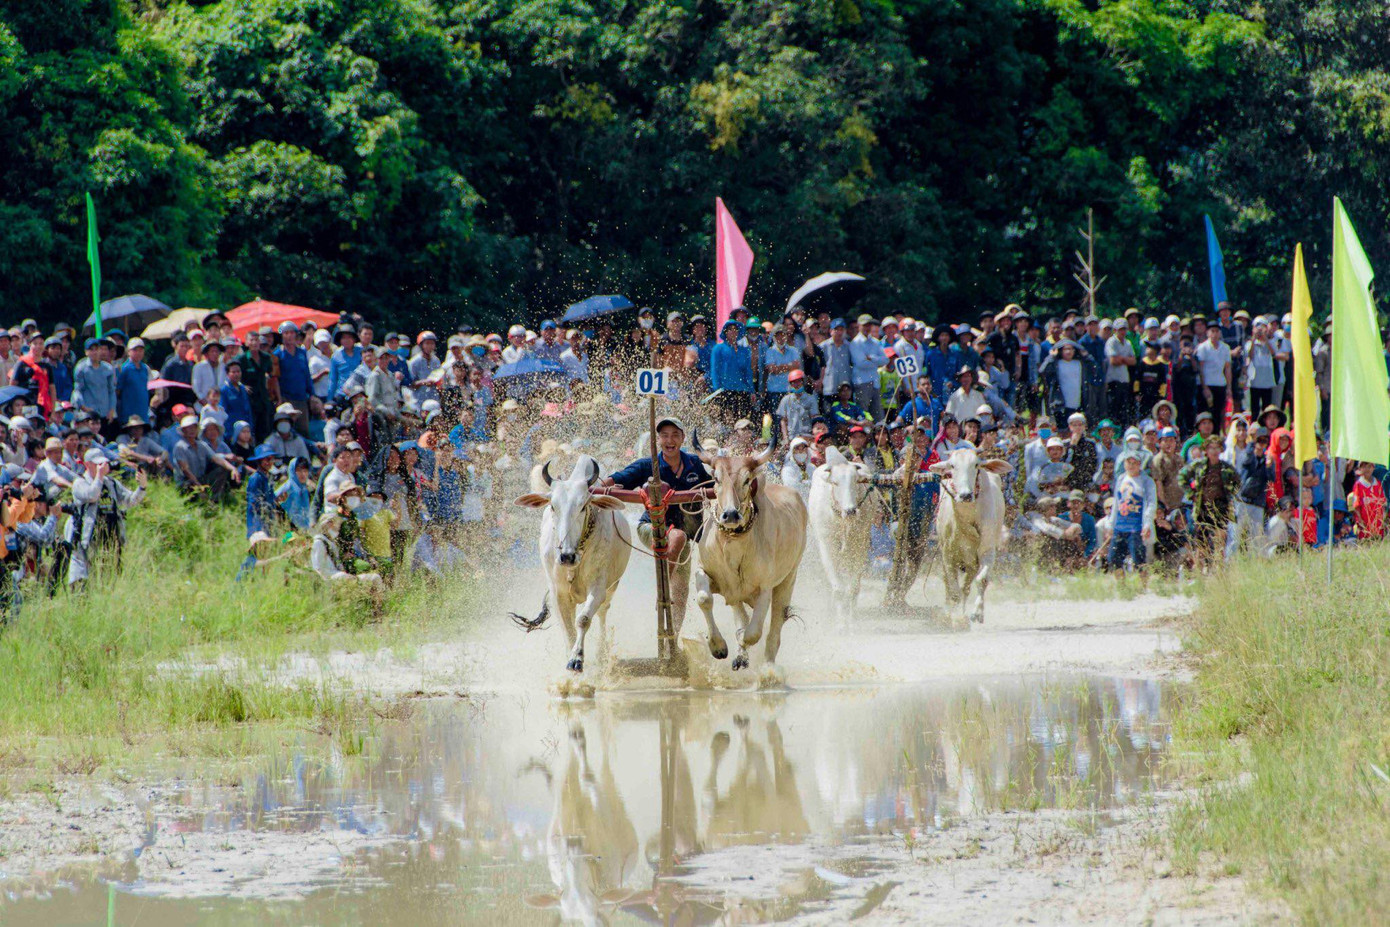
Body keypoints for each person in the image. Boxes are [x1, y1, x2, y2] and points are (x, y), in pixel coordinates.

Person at [596, 417, 712, 637]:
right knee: (676, 536)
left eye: (675, 435)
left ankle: (674, 637)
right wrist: (594, 488)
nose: (670, 440)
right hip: (650, 526)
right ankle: (662, 590)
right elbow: (616, 479)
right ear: (658, 440)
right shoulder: (647, 465)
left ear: (682, 439)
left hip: (685, 537)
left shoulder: (694, 464)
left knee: (683, 587)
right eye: (665, 435)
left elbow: (712, 485)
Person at [64, 448, 147, 588]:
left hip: (110, 537)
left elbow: (129, 501)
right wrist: (99, 477)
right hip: (88, 539)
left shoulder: (111, 483)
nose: (101, 467)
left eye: (103, 464)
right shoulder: (80, 482)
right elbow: (92, 495)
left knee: (109, 579)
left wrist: (142, 487)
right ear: (87, 464)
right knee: (84, 580)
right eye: (97, 464)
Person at [1180, 435, 1239, 569]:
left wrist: (1229, 494)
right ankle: (1199, 573)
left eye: (1217, 448)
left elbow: (1237, 482)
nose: (1214, 451)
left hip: (1220, 508)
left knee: (1220, 541)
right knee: (1201, 543)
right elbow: (1182, 476)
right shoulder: (1199, 465)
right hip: (1202, 508)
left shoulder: (1226, 468)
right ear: (1206, 450)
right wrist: (1191, 494)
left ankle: (1218, 571)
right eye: (1211, 448)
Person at [1108, 450, 1156, 576]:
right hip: (1120, 524)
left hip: (1136, 526)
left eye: (1134, 462)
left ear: (1139, 464)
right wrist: (1111, 524)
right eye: (1128, 462)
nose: (1131, 465)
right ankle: (1122, 587)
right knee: (1113, 559)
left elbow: (1151, 503)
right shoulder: (1121, 478)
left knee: (1138, 560)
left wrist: (1147, 523)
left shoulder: (1146, 481)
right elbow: (1116, 503)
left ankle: (1143, 587)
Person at [1195, 323, 1232, 430]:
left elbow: (1227, 368)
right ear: (1208, 333)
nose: (1214, 334)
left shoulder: (1225, 348)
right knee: (1205, 413)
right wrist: (1204, 387)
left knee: (1218, 412)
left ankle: (1216, 436)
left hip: (1220, 383)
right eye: (1212, 331)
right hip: (1206, 384)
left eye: (1217, 331)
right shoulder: (1203, 347)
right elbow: (1201, 368)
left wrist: (1229, 387)